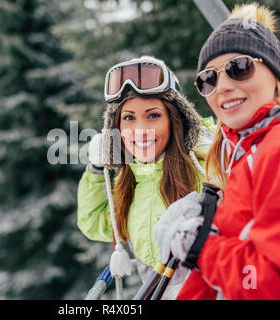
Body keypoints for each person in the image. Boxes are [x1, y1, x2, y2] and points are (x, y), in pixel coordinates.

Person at [153, 3, 280, 299]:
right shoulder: (246, 155)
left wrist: (201, 245)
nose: (222, 87)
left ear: (274, 73)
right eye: (209, 79)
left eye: (239, 68)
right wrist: (214, 223)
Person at [77, 56, 215, 299]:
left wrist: (216, 148)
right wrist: (97, 170)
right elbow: (94, 222)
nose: (140, 130)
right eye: (129, 118)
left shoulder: (208, 170)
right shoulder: (128, 184)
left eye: (153, 115)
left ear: (176, 120)